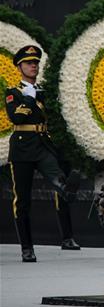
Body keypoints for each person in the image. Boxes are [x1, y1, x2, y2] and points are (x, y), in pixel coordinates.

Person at [5, 45, 81, 262]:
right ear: (20, 67)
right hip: (21, 147)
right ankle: (27, 248)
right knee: (23, 201)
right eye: (29, 63)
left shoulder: (43, 92)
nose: (33, 66)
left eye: (36, 63)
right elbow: (17, 118)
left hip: (43, 145)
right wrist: (28, 98)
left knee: (57, 176)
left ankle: (67, 189)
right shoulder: (13, 93)